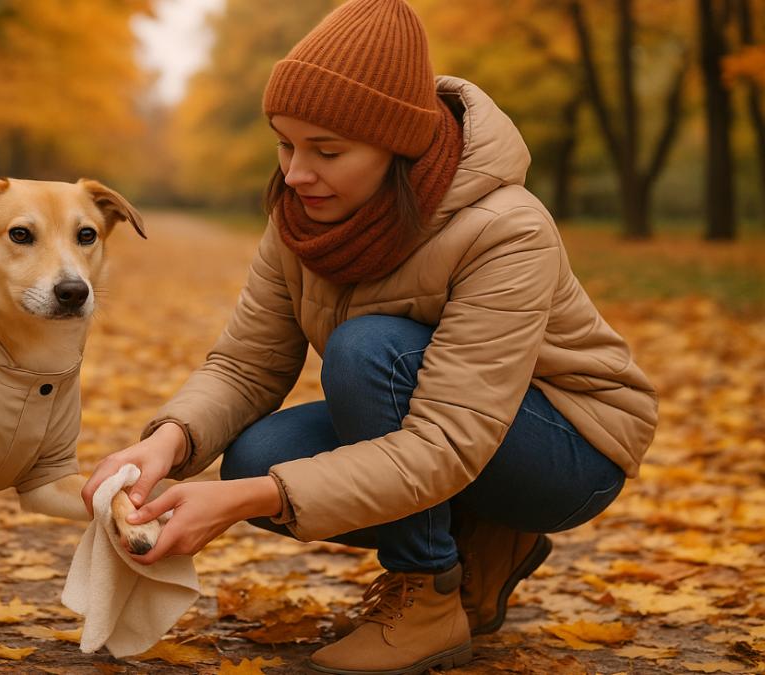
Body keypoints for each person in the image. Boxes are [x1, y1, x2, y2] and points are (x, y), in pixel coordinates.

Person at [82, 1, 658, 673]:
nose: (296, 173)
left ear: (399, 147)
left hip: (567, 446)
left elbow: (446, 440)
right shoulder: (300, 219)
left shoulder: (507, 229)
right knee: (257, 456)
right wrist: (168, 442)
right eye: (285, 144)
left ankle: (428, 593)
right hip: (449, 425)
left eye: (327, 151)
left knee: (365, 351)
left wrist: (246, 502)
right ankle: (483, 538)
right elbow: (246, 365)